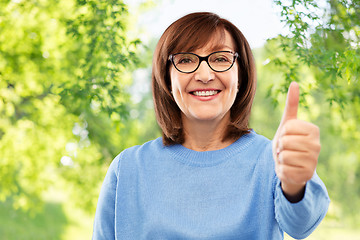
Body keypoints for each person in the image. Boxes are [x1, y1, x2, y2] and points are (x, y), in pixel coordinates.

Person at [92, 12, 330, 239]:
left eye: (221, 59)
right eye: (185, 60)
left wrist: (295, 185)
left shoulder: (273, 159)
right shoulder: (127, 169)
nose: (204, 74)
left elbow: (302, 225)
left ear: (241, 76)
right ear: (166, 78)